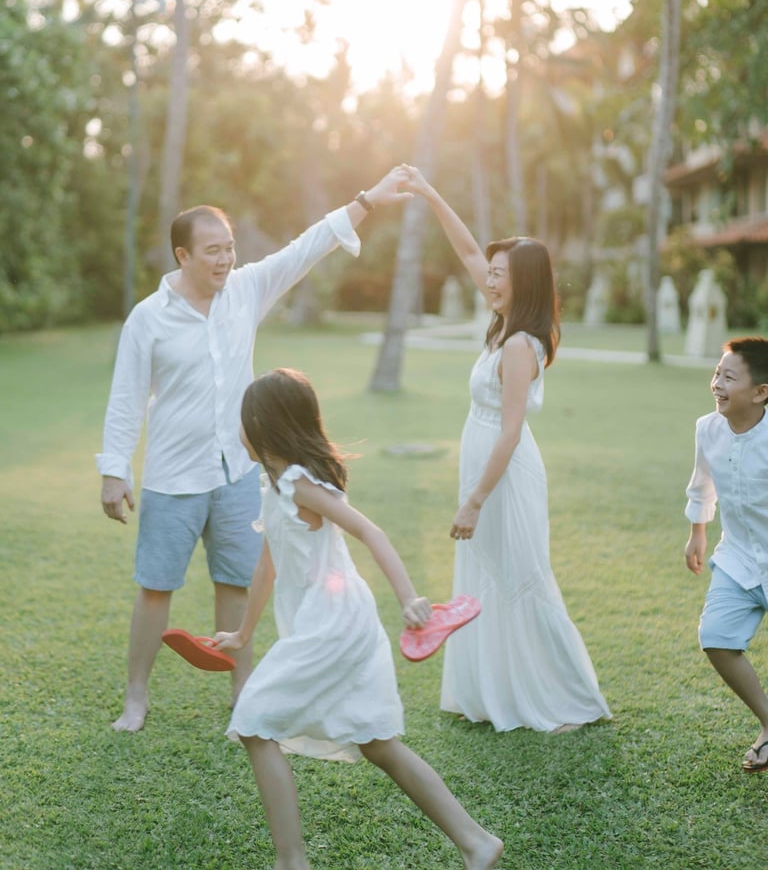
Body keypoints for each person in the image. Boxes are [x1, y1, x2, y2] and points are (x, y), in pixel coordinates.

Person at [97, 168, 411, 733]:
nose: (224, 260)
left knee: (235, 583)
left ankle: (241, 693)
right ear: (182, 255)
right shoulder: (149, 318)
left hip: (240, 473)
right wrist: (113, 471)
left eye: (230, 249)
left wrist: (367, 199)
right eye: (213, 251)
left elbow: (306, 247)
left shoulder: (245, 290)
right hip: (173, 475)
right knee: (154, 589)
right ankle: (136, 697)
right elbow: (126, 397)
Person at [212, 368, 504, 870]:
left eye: (243, 416)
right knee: (377, 744)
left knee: (254, 722)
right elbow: (267, 563)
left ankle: (291, 861)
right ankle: (476, 842)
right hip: (328, 621)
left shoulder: (302, 485)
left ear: (263, 424)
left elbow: (371, 532)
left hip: (335, 623)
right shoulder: (276, 484)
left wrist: (410, 599)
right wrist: (242, 634)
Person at [403, 165, 611, 734]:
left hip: (504, 472)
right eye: (489, 273)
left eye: (499, 275)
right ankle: (487, 694)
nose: (488, 280)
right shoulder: (502, 320)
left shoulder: (520, 343)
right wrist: (428, 190)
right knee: (483, 576)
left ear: (524, 282)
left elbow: (511, 431)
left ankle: (565, 698)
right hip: (483, 462)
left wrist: (473, 500)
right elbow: (469, 247)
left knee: (520, 576)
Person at [684, 336, 768, 773]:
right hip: (737, 558)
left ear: (761, 392)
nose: (717, 383)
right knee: (716, 637)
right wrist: (697, 532)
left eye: (729, 377)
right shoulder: (707, 428)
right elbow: (702, 485)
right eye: (717, 373)